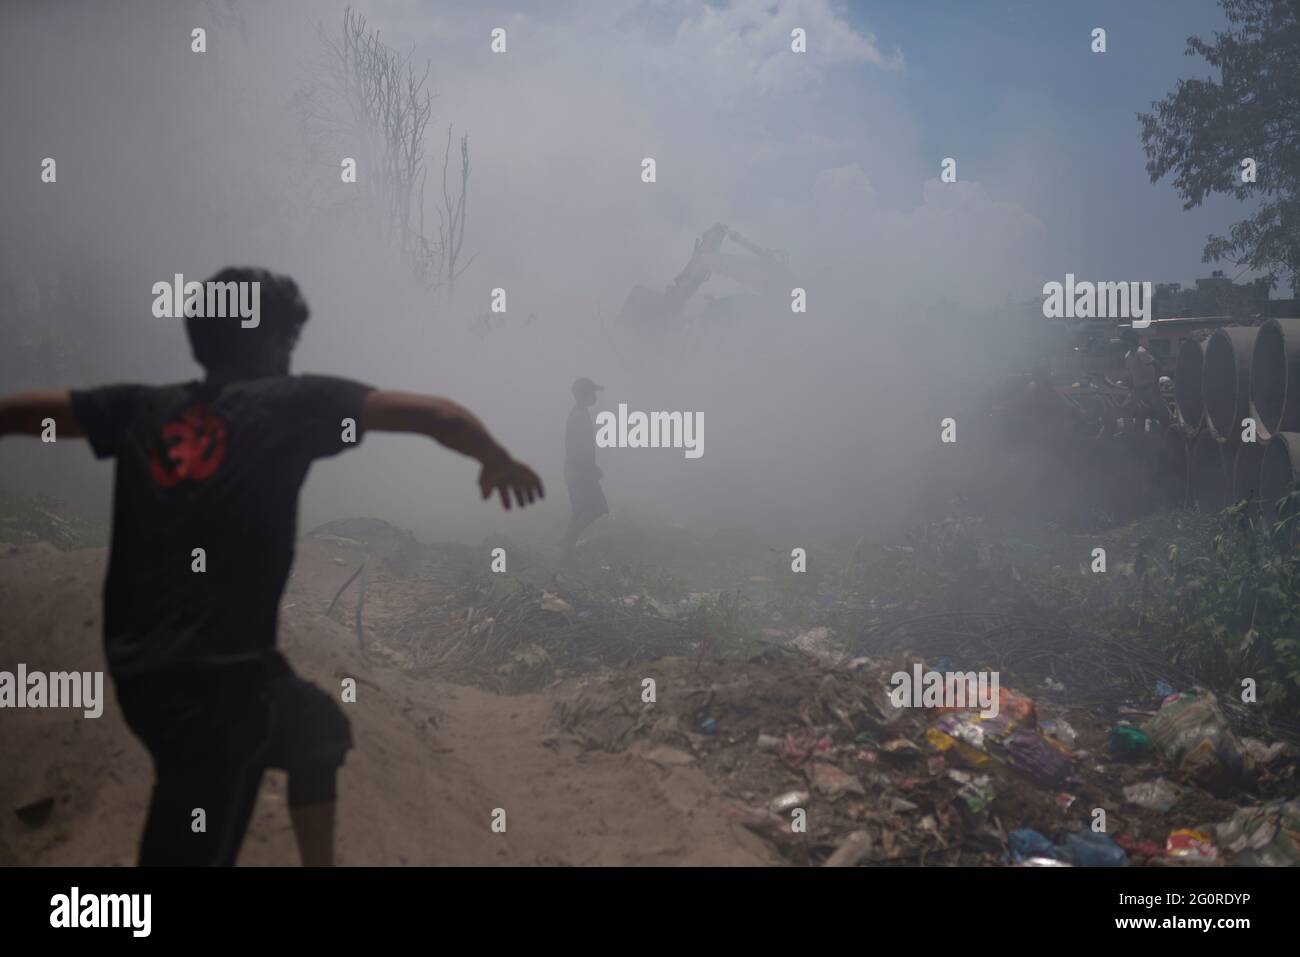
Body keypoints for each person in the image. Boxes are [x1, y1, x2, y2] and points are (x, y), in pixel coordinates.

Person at [0, 267, 543, 866]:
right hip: (221, 683)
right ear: (268, 343)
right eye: (287, 342)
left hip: (143, 674)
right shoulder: (292, 403)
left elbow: (24, 414)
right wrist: (496, 458)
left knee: (316, 731)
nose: (290, 356)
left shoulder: (138, 408)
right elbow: (434, 415)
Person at [562, 377, 608, 556]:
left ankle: (566, 545)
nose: (595, 395)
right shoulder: (579, 416)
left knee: (580, 510)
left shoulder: (579, 413)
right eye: (592, 392)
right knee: (597, 508)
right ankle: (567, 543)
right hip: (580, 473)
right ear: (585, 394)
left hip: (576, 472)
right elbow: (578, 449)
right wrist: (591, 470)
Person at [1119, 328, 1170, 433]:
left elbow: (1157, 367)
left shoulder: (1141, 352)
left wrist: (1155, 387)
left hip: (1149, 389)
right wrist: (1131, 390)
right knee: (1126, 408)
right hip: (1137, 390)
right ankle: (1132, 435)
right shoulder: (1127, 356)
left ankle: (1167, 433)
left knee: (1162, 414)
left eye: (1125, 341)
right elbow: (1130, 376)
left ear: (1130, 340)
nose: (1123, 343)